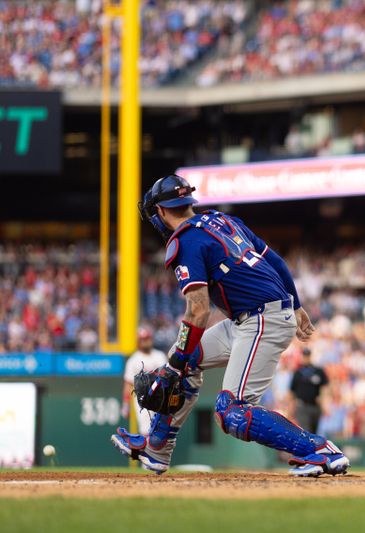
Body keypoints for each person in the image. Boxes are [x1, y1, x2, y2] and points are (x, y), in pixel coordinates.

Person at [111, 174, 349, 477]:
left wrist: (173, 365)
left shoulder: (185, 240)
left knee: (231, 410)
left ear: (160, 211)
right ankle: (156, 449)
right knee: (187, 359)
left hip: (261, 319)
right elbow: (274, 260)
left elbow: (197, 310)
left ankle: (318, 451)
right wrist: (297, 304)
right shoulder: (220, 219)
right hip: (251, 317)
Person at [121, 327, 168, 436]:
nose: (146, 342)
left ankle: (158, 452)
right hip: (142, 398)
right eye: (143, 339)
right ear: (138, 341)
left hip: (160, 396)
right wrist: (126, 404)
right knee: (146, 430)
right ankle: (146, 452)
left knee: (162, 430)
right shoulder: (133, 360)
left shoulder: (159, 356)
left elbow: (167, 377)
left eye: (147, 339)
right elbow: (128, 383)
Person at [290, 348, 328, 434]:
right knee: (306, 431)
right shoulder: (298, 373)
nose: (306, 358)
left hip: (315, 406)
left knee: (314, 432)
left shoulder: (318, 371)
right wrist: (291, 408)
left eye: (307, 356)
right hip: (302, 406)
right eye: (304, 356)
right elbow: (292, 392)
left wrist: (323, 401)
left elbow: (325, 387)